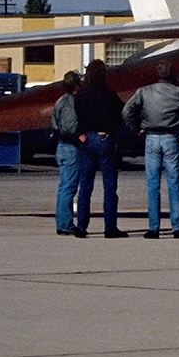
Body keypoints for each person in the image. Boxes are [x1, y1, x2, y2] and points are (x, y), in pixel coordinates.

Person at [123, 61, 179, 239]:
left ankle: (153, 227)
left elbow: (127, 111)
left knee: (152, 184)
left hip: (151, 137)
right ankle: (177, 227)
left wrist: (136, 128)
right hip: (171, 137)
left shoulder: (144, 91)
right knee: (174, 183)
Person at [74, 59, 126, 238]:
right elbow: (121, 115)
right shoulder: (110, 95)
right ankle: (110, 227)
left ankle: (81, 226)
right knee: (110, 186)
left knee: (85, 186)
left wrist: (81, 134)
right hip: (105, 138)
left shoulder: (80, 96)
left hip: (87, 139)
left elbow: (76, 117)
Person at [51, 70, 81, 235]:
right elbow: (70, 127)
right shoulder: (70, 102)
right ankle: (65, 223)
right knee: (68, 187)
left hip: (61, 147)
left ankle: (62, 221)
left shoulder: (59, 101)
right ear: (76, 85)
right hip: (70, 148)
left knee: (64, 186)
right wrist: (80, 137)